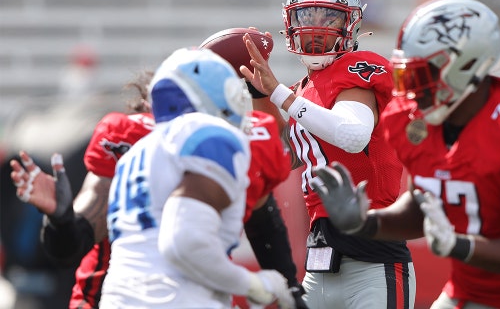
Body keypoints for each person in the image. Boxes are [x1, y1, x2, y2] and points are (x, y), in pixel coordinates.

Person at [310, 0, 500, 309]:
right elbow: (426, 200)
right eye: (404, 77)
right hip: (473, 291)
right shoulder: (409, 118)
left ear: (467, 66)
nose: (411, 91)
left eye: (421, 76)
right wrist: (365, 223)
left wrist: (458, 245)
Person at [10, 48, 306, 308]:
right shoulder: (212, 137)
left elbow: (263, 227)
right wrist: (259, 285)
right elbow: (184, 242)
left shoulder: (134, 153)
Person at [241, 0, 415, 308]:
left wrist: (278, 93)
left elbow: (353, 134)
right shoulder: (303, 91)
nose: (316, 26)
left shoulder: (358, 67)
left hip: (372, 263)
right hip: (319, 261)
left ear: (352, 24)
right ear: (289, 23)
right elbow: (278, 158)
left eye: (328, 16)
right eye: (307, 17)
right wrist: (259, 93)